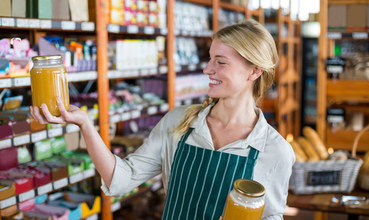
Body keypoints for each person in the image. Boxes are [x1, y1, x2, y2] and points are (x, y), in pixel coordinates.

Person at [30, 19, 295, 219]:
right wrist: (85, 124)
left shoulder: (274, 150)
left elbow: (272, 215)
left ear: (254, 71)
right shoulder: (179, 124)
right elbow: (120, 178)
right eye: (210, 58)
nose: (207, 69)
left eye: (220, 62)